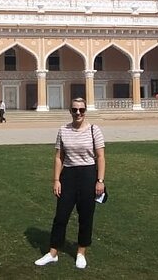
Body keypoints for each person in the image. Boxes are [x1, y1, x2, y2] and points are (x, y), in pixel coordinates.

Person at [35, 97, 105, 270]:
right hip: (69, 175)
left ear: (85, 111)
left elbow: (101, 157)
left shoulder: (94, 130)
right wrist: (57, 179)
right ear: (70, 111)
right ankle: (52, 253)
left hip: (88, 174)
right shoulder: (63, 130)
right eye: (75, 110)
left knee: (86, 217)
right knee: (61, 216)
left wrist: (100, 181)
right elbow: (59, 157)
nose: (78, 113)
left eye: (81, 110)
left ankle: (81, 253)